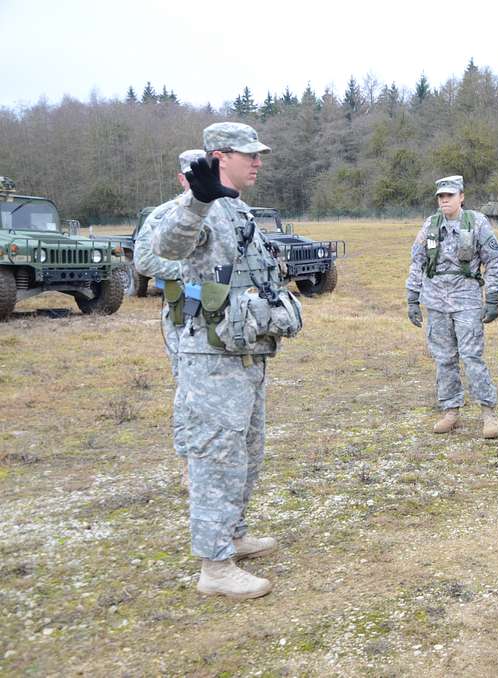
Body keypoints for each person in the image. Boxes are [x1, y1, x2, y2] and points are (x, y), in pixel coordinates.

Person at [151, 122, 303, 599]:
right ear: (220, 156)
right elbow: (166, 249)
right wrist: (197, 200)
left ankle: (233, 534)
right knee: (215, 456)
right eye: (248, 154)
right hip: (211, 357)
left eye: (259, 154)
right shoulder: (197, 207)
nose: (257, 161)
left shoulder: (237, 209)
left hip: (245, 352)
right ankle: (214, 566)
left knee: (246, 452)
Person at [405, 175, 498, 439]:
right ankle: (451, 410)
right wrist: (412, 297)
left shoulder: (477, 222)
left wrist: (492, 297)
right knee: (444, 358)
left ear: (461, 196)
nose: (445, 200)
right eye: (441, 196)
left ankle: (488, 412)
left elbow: (494, 261)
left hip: (467, 301)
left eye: (449, 195)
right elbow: (417, 261)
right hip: (436, 302)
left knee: (472, 357)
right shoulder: (430, 225)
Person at [135, 149, 203, 492]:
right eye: (193, 175)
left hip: (223, 317)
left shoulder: (222, 211)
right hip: (183, 315)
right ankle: (190, 464)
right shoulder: (166, 214)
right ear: (181, 178)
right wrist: (190, 270)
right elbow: (144, 259)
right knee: (189, 389)